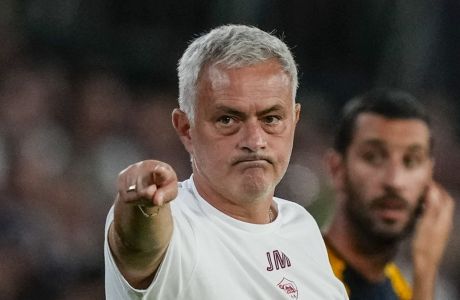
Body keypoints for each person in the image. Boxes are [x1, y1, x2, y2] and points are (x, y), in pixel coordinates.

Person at [104, 24, 348, 299]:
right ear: (186, 128)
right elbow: (139, 246)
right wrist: (141, 205)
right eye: (228, 120)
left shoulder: (301, 225)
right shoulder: (176, 223)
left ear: (294, 120)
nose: (255, 140)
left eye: (271, 119)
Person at [323, 88, 455, 300]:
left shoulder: (404, 290)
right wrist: (425, 270)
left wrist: (425, 270)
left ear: (429, 177)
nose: (394, 181)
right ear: (337, 169)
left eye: (411, 161)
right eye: (373, 157)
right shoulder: (300, 272)